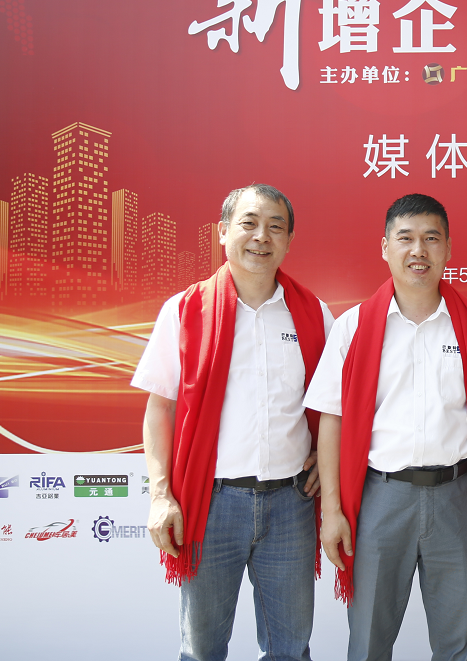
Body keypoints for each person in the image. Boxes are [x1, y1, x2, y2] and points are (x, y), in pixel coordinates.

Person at [304, 193, 467, 661]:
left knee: (460, 641)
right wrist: (332, 511)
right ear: (385, 247)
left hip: (458, 497)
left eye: (431, 239)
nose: (419, 250)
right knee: (369, 641)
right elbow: (331, 421)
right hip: (381, 499)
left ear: (448, 248)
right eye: (406, 238)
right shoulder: (354, 326)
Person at [133, 184, 333, 661]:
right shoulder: (185, 311)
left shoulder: (313, 314)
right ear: (223, 231)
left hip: (291, 505)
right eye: (249, 223)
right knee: (202, 651)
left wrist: (325, 459)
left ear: (288, 241)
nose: (261, 237)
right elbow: (159, 408)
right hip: (211, 505)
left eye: (275, 227)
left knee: (290, 650)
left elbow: (331, 406)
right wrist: (160, 495)